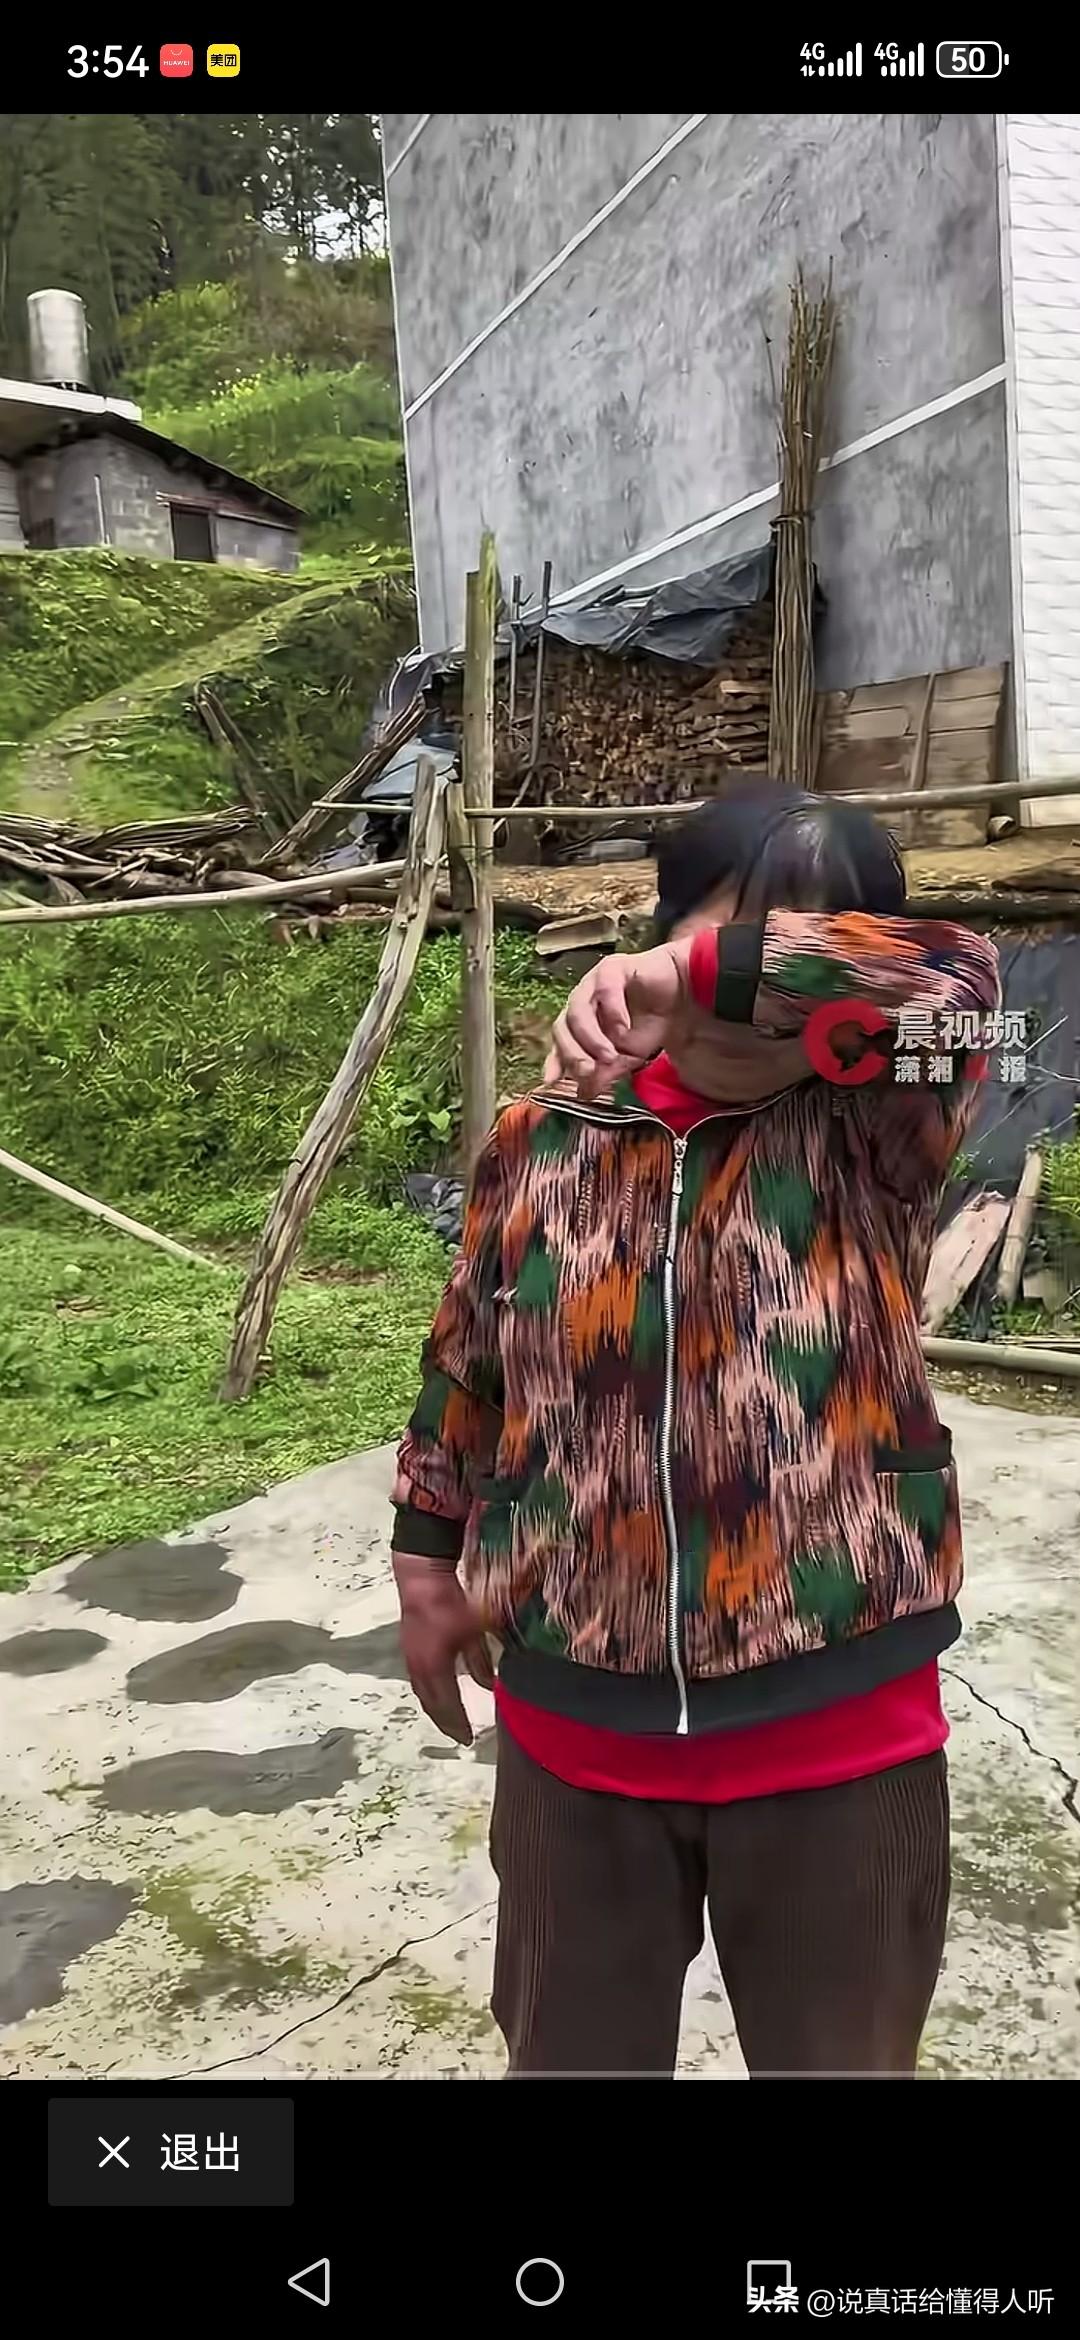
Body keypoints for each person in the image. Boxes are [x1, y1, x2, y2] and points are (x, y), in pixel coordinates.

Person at [391, 782, 1001, 2077]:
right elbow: (470, 1351)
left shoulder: (882, 1118)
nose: (741, 1010)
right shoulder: (542, 1135)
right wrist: (426, 1552)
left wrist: (710, 971)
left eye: (784, 966)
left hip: (841, 1731)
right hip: (575, 1726)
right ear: (654, 929)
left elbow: (961, 980)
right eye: (716, 943)